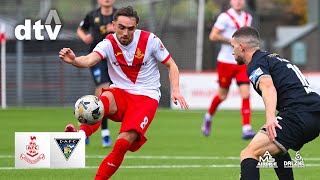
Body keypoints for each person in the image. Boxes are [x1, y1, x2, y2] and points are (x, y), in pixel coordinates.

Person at [60, 6, 189, 179]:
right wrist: (74, 60)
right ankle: (80, 136)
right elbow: (89, 60)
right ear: (113, 26)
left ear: (136, 27)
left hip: (146, 97)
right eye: (121, 27)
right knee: (99, 103)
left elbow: (171, 65)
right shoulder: (108, 43)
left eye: (130, 28)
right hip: (120, 92)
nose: (126, 33)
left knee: (121, 145)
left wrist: (176, 90)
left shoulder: (150, 40)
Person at [231, 26, 320, 180]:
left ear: (241, 47)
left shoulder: (256, 64)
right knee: (276, 148)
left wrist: (270, 117)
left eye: (233, 47)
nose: (232, 52)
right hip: (313, 111)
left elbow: (268, 87)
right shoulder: (273, 58)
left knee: (249, 153)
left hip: (297, 113)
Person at [202, 0, 256, 139]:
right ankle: (208, 116)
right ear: (231, 2)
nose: (238, 2)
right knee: (222, 95)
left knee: (246, 93)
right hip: (226, 61)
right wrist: (231, 41)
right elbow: (213, 36)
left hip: (241, 62)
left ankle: (246, 128)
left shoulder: (247, 18)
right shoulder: (224, 17)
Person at [76, 0, 117, 147]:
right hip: (96, 59)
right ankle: (104, 133)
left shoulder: (119, 16)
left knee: (107, 94)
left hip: (114, 59)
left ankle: (86, 128)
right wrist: (84, 37)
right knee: (103, 89)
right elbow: (80, 29)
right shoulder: (92, 15)